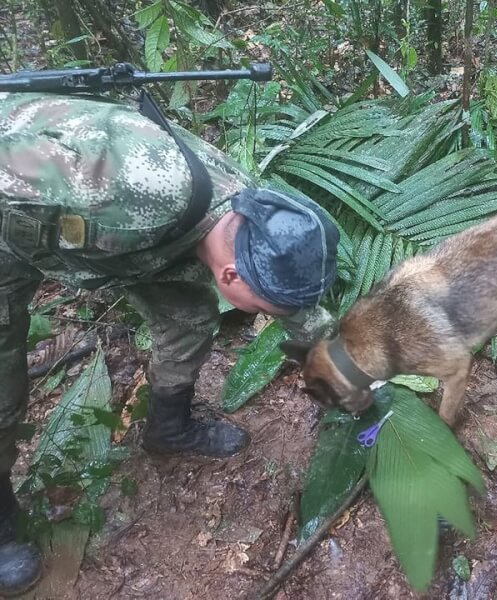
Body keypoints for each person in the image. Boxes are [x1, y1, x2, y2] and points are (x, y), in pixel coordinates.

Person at [0, 90, 339, 595]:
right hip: (15, 217)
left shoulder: (250, 214)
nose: (268, 317)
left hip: (120, 240)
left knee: (188, 317)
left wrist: (348, 371)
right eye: (264, 309)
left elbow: (296, 304)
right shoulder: (126, 200)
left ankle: (169, 428)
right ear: (231, 274)